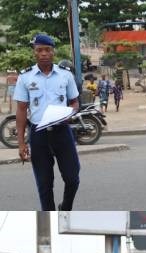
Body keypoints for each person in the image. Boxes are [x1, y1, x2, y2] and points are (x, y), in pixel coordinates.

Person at [13, 34, 82, 211]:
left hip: (62, 132)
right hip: (38, 135)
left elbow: (75, 102)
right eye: (39, 50)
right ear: (34, 53)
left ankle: (65, 208)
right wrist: (21, 144)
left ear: (53, 52)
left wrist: (70, 112)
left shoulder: (65, 75)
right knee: (44, 185)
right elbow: (21, 110)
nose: (44, 53)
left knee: (73, 178)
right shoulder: (25, 77)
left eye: (47, 50)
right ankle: (50, 218)